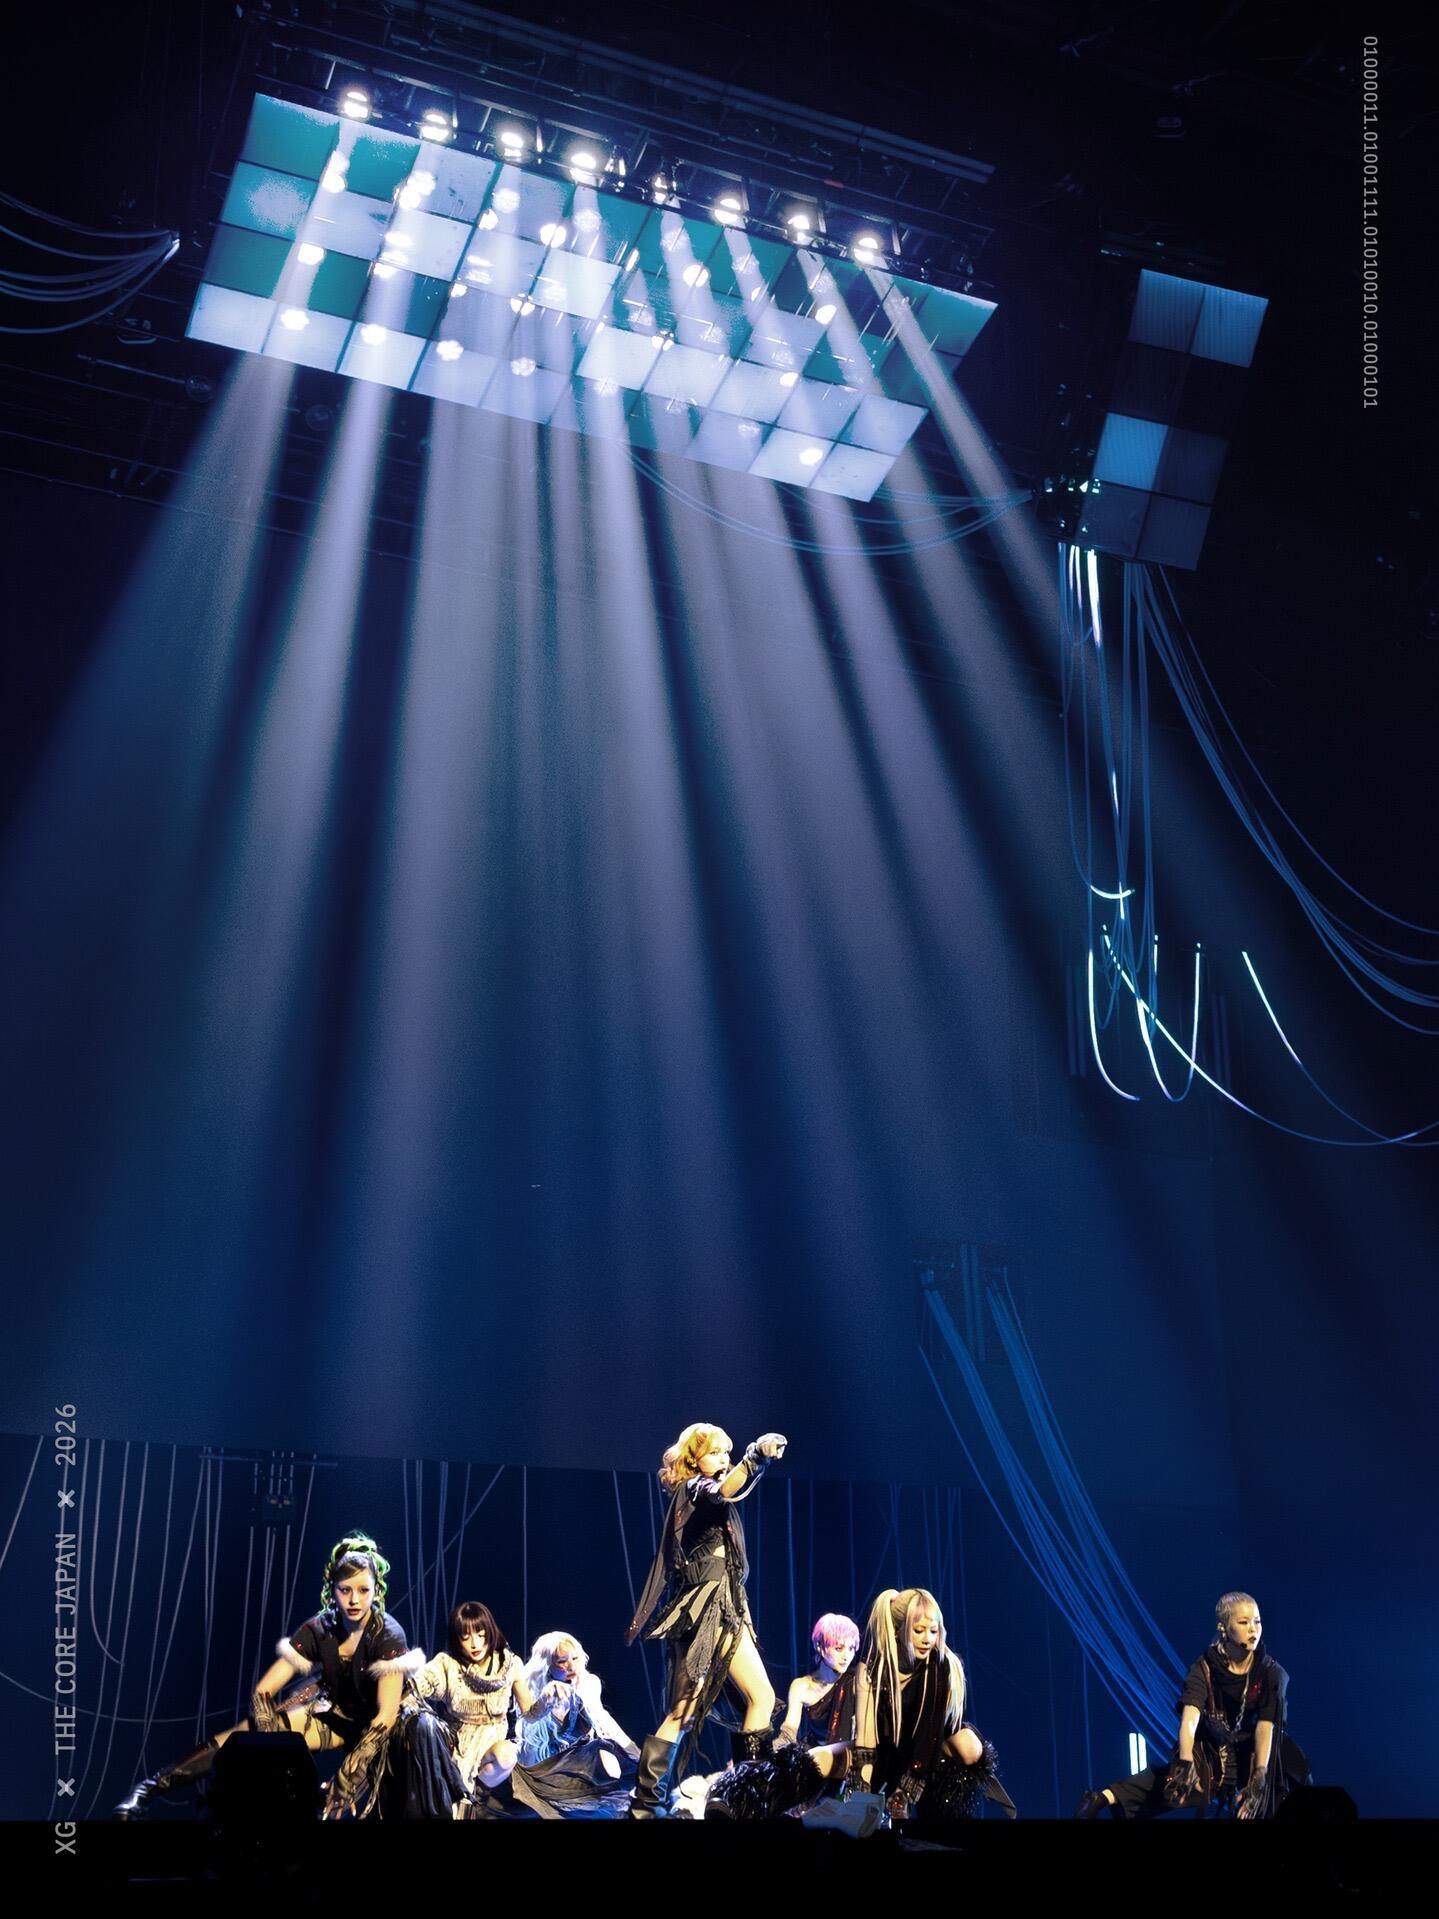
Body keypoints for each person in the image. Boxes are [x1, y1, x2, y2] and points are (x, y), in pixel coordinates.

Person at [115, 1531, 463, 1820]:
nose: (354, 1600)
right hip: (339, 1714)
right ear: (332, 1590)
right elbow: (263, 1692)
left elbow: (384, 1716)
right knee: (245, 1735)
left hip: (388, 1727)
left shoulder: (387, 1633)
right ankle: (150, 1788)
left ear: (376, 1590)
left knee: (403, 1750)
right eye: (345, 1590)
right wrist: (269, 1743)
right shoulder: (319, 1629)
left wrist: (349, 1773)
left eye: (363, 1590)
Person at [709, 1585, 1014, 1826]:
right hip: (885, 1751)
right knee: (815, 1759)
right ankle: (739, 1802)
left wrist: (905, 1792)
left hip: (930, 1755)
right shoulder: (870, 1672)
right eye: (918, 1630)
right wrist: (861, 1794)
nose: (927, 1639)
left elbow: (928, 1736)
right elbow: (866, 1740)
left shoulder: (942, 1667)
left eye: (933, 1631)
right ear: (900, 1630)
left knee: (968, 1747)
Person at [624, 1421, 788, 1817]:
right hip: (707, 1610)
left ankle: (656, 1803)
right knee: (725, 1704)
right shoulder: (695, 1488)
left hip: (722, 1608)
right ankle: (738, 1799)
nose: (723, 1459)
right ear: (694, 1459)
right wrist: (755, 1455)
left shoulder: (709, 1494)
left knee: (699, 1709)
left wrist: (756, 1463)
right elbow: (726, 1489)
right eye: (715, 1452)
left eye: (726, 1453)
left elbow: (732, 1490)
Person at [1075, 1590, 1307, 1819]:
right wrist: (1185, 1761)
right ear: (1223, 1627)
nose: (1253, 1629)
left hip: (1256, 1750)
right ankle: (1102, 1798)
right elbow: (1190, 1717)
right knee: (1178, 1782)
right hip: (1215, 1746)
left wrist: (1260, 1775)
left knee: (1280, 1781)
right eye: (1244, 1622)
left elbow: (1266, 1727)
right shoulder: (1204, 1668)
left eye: (1257, 1621)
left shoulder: (1271, 1672)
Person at [414, 1601, 548, 1813]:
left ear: (490, 1632)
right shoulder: (448, 1663)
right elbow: (419, 1683)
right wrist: (401, 1677)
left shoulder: (510, 1664)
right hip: (457, 1745)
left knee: (507, 1754)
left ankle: (478, 1793)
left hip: (491, 1747)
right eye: (465, 1637)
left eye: (480, 1634)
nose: (474, 1644)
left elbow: (529, 1713)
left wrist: (548, 1700)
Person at [511, 1631, 640, 1814]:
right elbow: (530, 1738)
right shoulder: (534, 1692)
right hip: (547, 1766)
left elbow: (606, 1723)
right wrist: (545, 1702)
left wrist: (637, 1755)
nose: (571, 1666)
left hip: (581, 1762)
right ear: (547, 1665)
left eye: (575, 1658)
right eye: (561, 1661)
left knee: (610, 1762)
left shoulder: (589, 1685)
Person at [776, 1612, 861, 1749]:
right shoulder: (801, 1686)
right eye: (839, 1648)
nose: (847, 1656)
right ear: (820, 1647)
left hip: (846, 1753)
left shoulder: (855, 1680)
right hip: (814, 1753)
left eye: (851, 1648)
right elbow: (789, 1732)